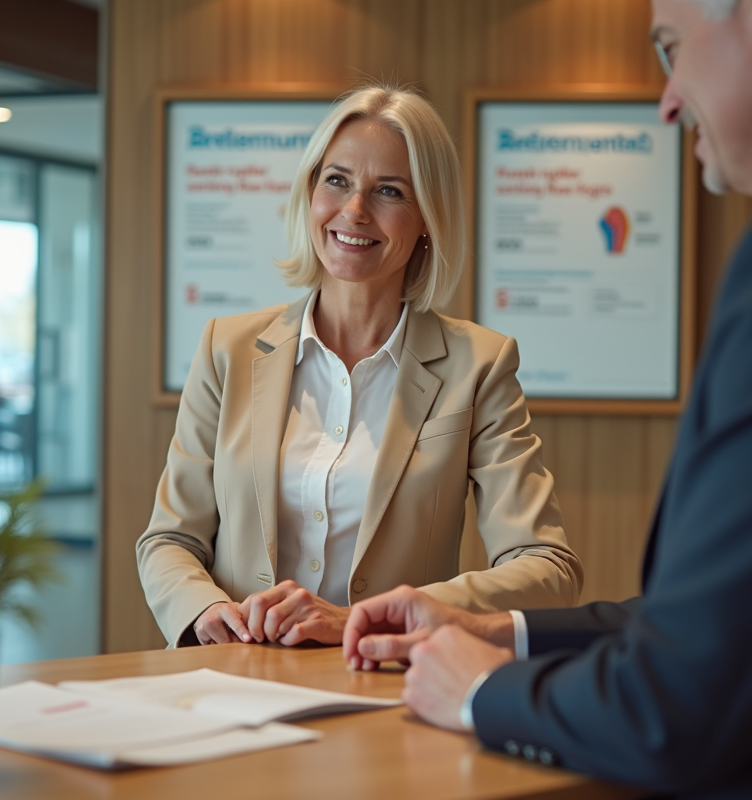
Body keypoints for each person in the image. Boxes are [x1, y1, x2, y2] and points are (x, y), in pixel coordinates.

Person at [342, 1, 752, 797]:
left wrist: (479, 690)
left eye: (671, 48)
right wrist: (498, 633)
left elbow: (677, 701)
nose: (669, 99)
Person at [138, 85, 583, 648]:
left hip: (387, 684)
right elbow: (169, 540)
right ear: (310, 193)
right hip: (236, 678)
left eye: (389, 191)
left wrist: (369, 618)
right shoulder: (226, 349)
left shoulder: (479, 367)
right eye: (337, 180)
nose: (354, 211)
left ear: (427, 217)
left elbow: (548, 568)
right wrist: (204, 611)